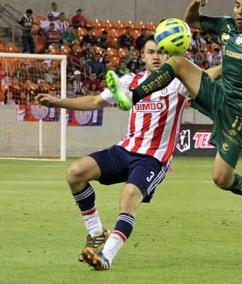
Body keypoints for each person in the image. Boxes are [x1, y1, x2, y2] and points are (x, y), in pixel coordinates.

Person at [105, 0, 242, 222]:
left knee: (221, 178)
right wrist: (196, 4)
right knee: (177, 63)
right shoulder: (226, 26)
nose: (239, 11)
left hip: (241, 112)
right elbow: (191, 21)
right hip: (218, 94)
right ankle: (132, 95)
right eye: (237, 5)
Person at [36, 35, 217, 271]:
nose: (156, 56)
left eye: (160, 52)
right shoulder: (130, 81)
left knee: (128, 199)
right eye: (151, 52)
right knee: (75, 173)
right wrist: (58, 102)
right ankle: (96, 232)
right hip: (125, 150)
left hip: (153, 159)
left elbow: (207, 76)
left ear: (167, 56)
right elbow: (95, 101)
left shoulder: (177, 83)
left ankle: (106, 257)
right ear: (142, 56)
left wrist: (230, 64)